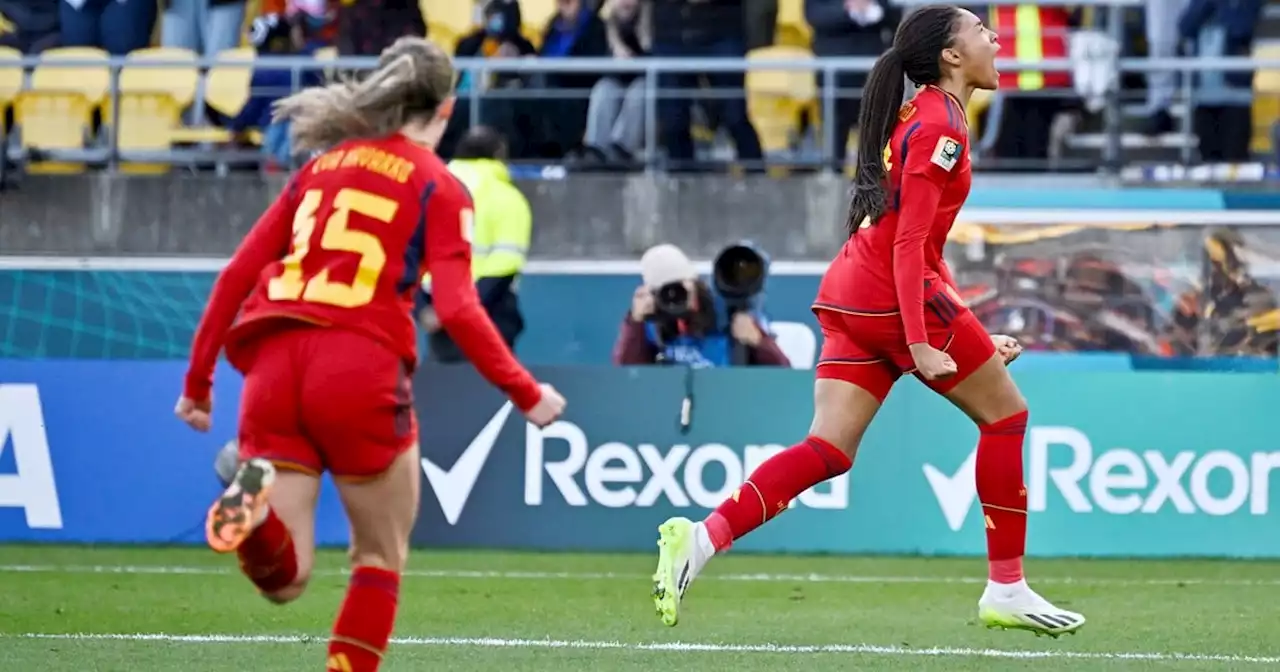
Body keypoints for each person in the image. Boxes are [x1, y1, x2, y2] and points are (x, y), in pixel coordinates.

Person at [649, 5, 1086, 638]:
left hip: (855, 289)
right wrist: (919, 340)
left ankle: (701, 538)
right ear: (951, 57)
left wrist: (964, 332)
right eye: (979, 30)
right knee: (1006, 417)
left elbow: (922, 244)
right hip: (890, 294)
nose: (994, 37)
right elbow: (910, 247)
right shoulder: (941, 125)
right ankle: (1007, 587)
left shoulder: (925, 115)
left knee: (828, 449)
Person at [174, 37, 567, 672]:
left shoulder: (320, 167)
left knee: (288, 577)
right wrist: (527, 393)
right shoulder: (438, 182)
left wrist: (198, 385)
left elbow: (237, 274)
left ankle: (256, 519)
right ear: (446, 109)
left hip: (273, 365)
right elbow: (462, 308)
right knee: (379, 559)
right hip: (358, 362)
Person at [418, 126, 531, 362]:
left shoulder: (430, 193)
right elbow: (505, 264)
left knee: (444, 392)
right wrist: (464, 308)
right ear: (500, 154)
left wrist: (422, 310)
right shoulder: (508, 198)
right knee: (488, 395)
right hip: (491, 315)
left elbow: (408, 255)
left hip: (440, 314)